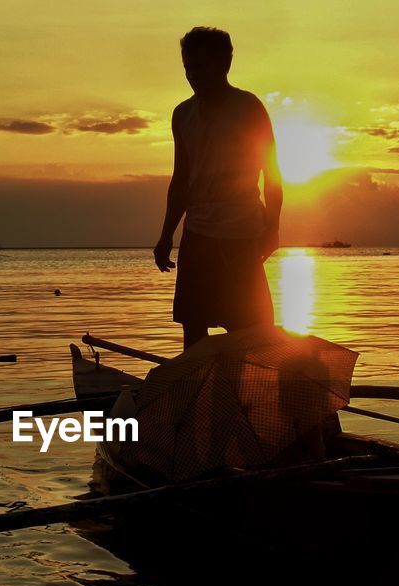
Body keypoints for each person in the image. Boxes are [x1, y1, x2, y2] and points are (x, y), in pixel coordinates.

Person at [153, 27, 282, 350]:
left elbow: (273, 175)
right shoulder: (182, 115)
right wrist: (166, 234)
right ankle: (198, 397)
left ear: (223, 65)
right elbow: (180, 179)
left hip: (241, 233)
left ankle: (248, 397)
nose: (193, 75)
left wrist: (273, 228)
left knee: (251, 330)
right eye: (188, 68)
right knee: (193, 327)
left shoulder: (249, 108)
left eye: (200, 67)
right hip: (197, 233)